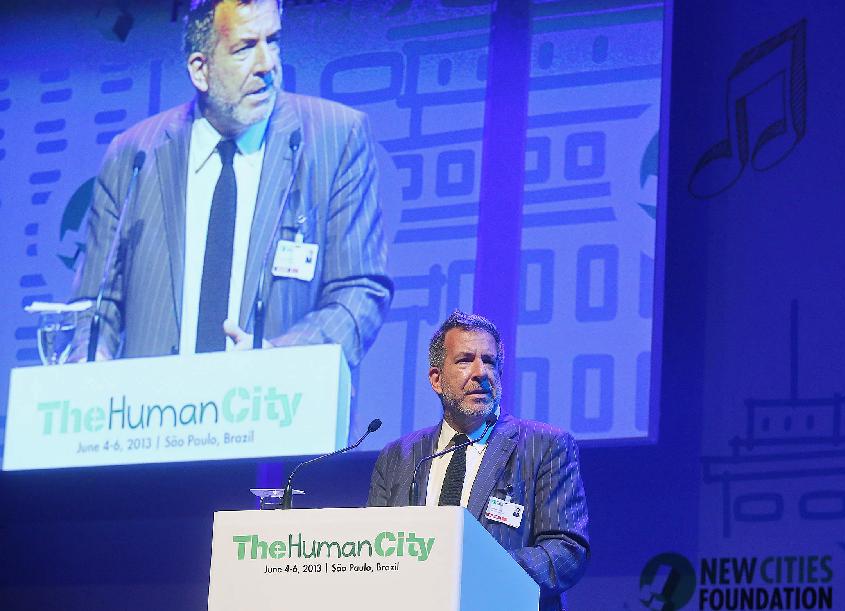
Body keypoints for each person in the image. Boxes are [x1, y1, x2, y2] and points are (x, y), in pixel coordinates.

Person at [70, 0, 391, 365]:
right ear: (200, 70)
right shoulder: (134, 156)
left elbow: (360, 290)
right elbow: (94, 305)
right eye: (244, 48)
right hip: (153, 414)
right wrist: (90, 363)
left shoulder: (334, 138)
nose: (266, 64)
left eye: (273, 41)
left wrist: (281, 357)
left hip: (277, 406)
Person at [367, 311, 590, 611]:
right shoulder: (399, 457)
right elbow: (373, 550)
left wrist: (478, 571)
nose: (480, 372)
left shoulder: (544, 446)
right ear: (436, 379)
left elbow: (567, 551)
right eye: (464, 360)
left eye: (489, 361)